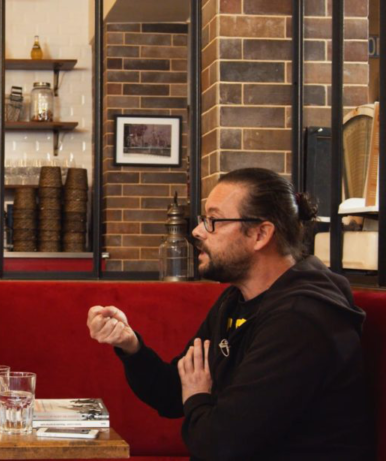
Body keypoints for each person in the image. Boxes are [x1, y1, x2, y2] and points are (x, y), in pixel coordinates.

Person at [87, 168, 373, 460]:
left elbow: (219, 446)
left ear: (260, 234)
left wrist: (197, 396)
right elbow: (174, 393)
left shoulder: (301, 320)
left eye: (213, 220)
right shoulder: (237, 299)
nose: (197, 231)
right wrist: (130, 345)